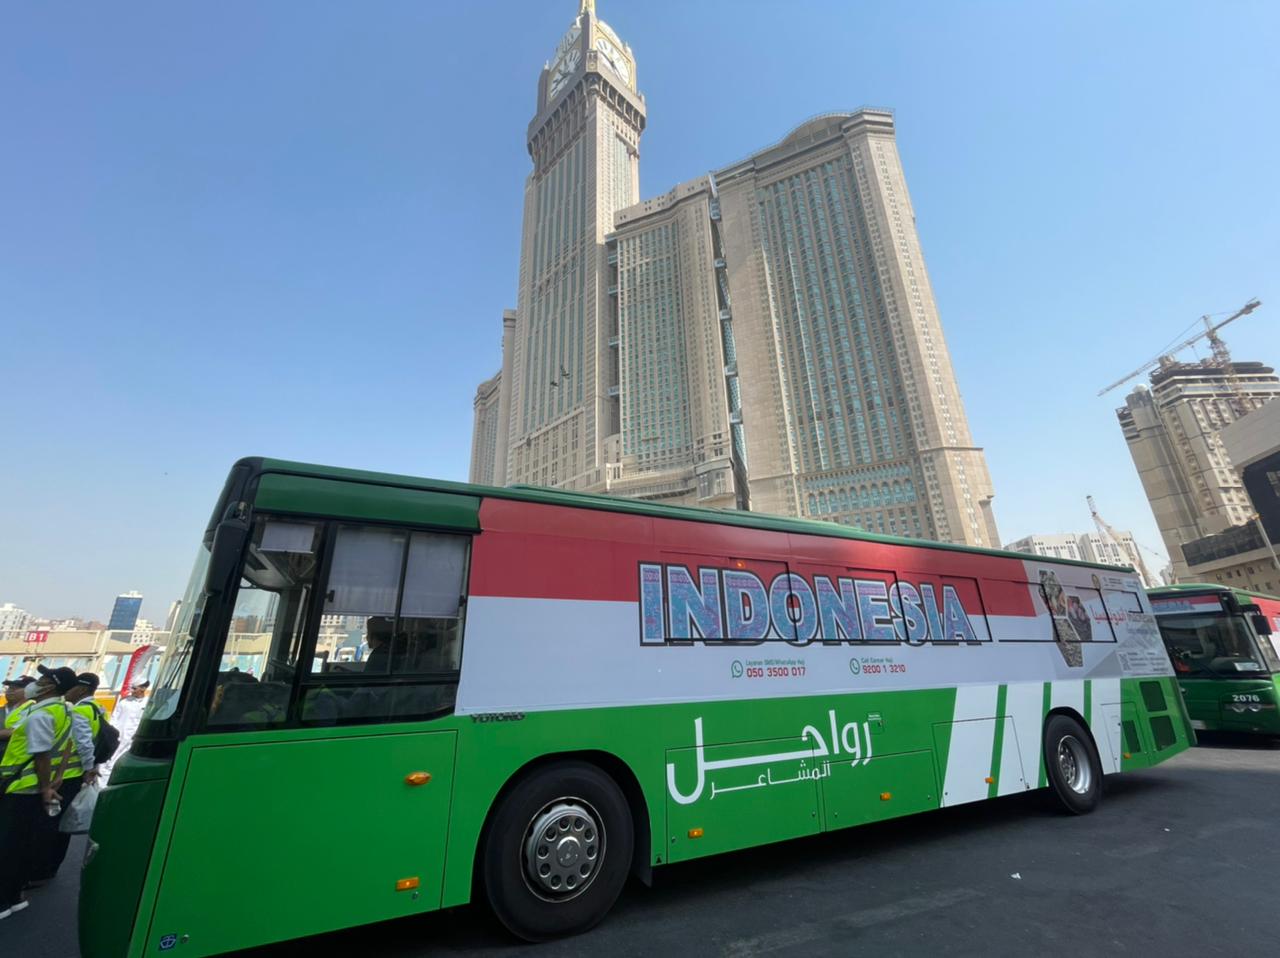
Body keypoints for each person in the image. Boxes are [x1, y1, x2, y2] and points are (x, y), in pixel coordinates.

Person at [0, 665, 93, 918]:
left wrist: (44, 788)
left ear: (50, 686)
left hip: (21, 787)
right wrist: (66, 776)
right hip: (36, 787)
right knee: (23, 842)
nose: (36, 683)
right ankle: (15, 895)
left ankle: (3, 901)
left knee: (8, 844)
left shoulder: (42, 715)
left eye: (41, 679)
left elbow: (41, 754)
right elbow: (75, 745)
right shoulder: (66, 711)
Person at [29, 673, 102, 883]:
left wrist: (89, 768)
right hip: (76, 774)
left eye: (73, 687)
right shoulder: (97, 710)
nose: (68, 691)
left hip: (67, 776)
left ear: (81, 689)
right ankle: (50, 867)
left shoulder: (79, 711)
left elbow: (84, 743)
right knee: (62, 827)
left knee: (49, 825)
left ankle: (40, 870)